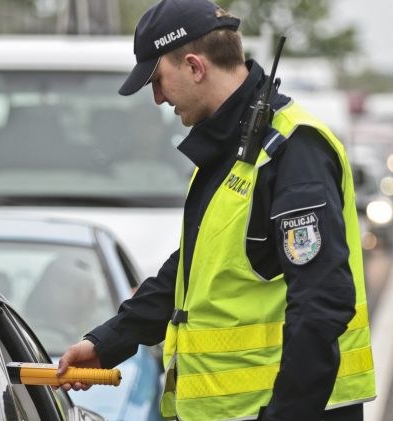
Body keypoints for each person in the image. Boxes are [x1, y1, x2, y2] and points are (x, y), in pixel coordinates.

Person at [56, 1, 376, 420]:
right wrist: (109, 341)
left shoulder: (293, 151)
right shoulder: (233, 150)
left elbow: (320, 305)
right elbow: (195, 271)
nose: (156, 98)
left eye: (157, 80)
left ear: (194, 66)